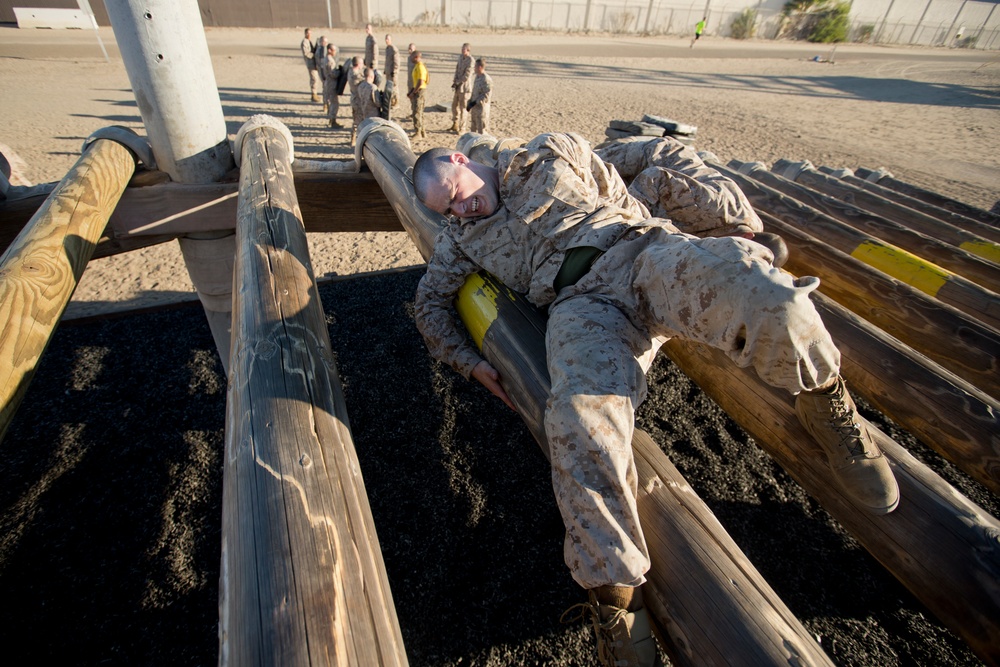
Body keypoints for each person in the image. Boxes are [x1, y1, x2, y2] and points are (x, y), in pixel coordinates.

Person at [409, 133, 900, 666]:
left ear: (460, 159)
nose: (460, 210)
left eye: (455, 194)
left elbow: (655, 154)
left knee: (770, 292)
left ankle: (827, 404)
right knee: (577, 420)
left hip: (643, 253)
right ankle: (618, 606)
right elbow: (428, 302)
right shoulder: (462, 240)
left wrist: (732, 218)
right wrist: (467, 362)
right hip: (583, 307)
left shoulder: (546, 152)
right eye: (448, 211)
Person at [450, 43, 474, 134]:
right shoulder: (460, 58)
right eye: (462, 49)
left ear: (468, 50)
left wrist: (458, 81)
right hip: (457, 87)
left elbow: (467, 75)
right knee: (454, 106)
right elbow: (457, 70)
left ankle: (462, 128)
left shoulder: (471, 60)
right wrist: (455, 80)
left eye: (464, 49)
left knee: (463, 108)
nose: (462, 50)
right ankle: (455, 124)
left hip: (465, 88)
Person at [467, 58, 493, 135]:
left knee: (482, 132)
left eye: (475, 66)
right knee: (473, 132)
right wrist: (470, 102)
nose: (474, 68)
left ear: (480, 67)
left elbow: (486, 95)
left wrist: (475, 102)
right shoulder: (477, 77)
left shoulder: (486, 79)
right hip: (475, 109)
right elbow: (474, 92)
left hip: (482, 109)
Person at [408, 50, 428, 139]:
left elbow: (420, 82)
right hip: (417, 89)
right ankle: (422, 131)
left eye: (412, 57)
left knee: (417, 112)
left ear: (416, 57)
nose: (411, 59)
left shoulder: (420, 67)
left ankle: (418, 132)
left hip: (420, 91)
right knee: (419, 111)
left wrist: (414, 92)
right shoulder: (416, 66)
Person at [322, 44, 343, 128]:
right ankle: (333, 120)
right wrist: (340, 72)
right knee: (334, 103)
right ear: (329, 50)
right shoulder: (330, 61)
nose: (335, 52)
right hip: (331, 83)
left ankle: (331, 119)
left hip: (328, 82)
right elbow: (333, 74)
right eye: (334, 50)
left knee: (331, 101)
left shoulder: (325, 59)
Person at [347, 56, 365, 146]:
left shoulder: (351, 71)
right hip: (357, 101)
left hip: (355, 99)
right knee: (358, 121)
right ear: (358, 64)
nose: (363, 65)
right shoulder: (356, 75)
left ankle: (354, 138)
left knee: (356, 119)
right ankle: (354, 139)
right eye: (362, 63)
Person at [300, 28, 321, 102]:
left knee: (316, 79)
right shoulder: (304, 42)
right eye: (308, 33)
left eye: (310, 33)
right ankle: (313, 94)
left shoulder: (309, 41)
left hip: (314, 63)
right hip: (310, 63)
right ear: (305, 33)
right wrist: (315, 55)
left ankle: (315, 93)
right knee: (314, 79)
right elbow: (306, 53)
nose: (309, 35)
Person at [314, 35, 329, 111]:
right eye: (325, 42)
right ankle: (326, 105)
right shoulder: (322, 50)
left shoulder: (318, 49)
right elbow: (323, 64)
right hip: (324, 73)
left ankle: (325, 104)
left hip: (321, 72)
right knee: (326, 90)